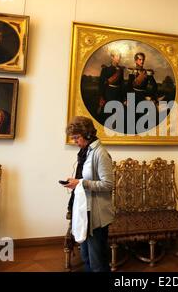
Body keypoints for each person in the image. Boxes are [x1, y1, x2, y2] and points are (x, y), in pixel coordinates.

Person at [64, 116, 114, 272]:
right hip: (84, 211)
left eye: (76, 137)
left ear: (87, 134)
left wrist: (81, 183)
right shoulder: (85, 152)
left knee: (97, 262)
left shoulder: (100, 153)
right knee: (86, 258)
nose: (74, 141)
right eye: (73, 138)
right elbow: (84, 179)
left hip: (96, 215)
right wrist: (76, 184)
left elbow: (108, 185)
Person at [127, 52, 158, 133]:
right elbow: (129, 86)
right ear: (136, 60)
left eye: (143, 59)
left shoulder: (147, 72)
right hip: (132, 96)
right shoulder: (132, 71)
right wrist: (127, 99)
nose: (142, 61)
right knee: (132, 119)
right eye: (140, 59)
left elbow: (155, 86)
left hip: (142, 97)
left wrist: (150, 96)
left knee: (143, 119)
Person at [98, 49, 126, 131]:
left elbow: (122, 84)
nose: (119, 58)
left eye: (119, 56)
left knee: (117, 114)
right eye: (117, 56)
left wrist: (123, 97)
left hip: (118, 94)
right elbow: (101, 84)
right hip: (109, 93)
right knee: (108, 113)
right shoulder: (105, 69)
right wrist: (102, 96)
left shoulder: (121, 70)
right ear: (112, 57)